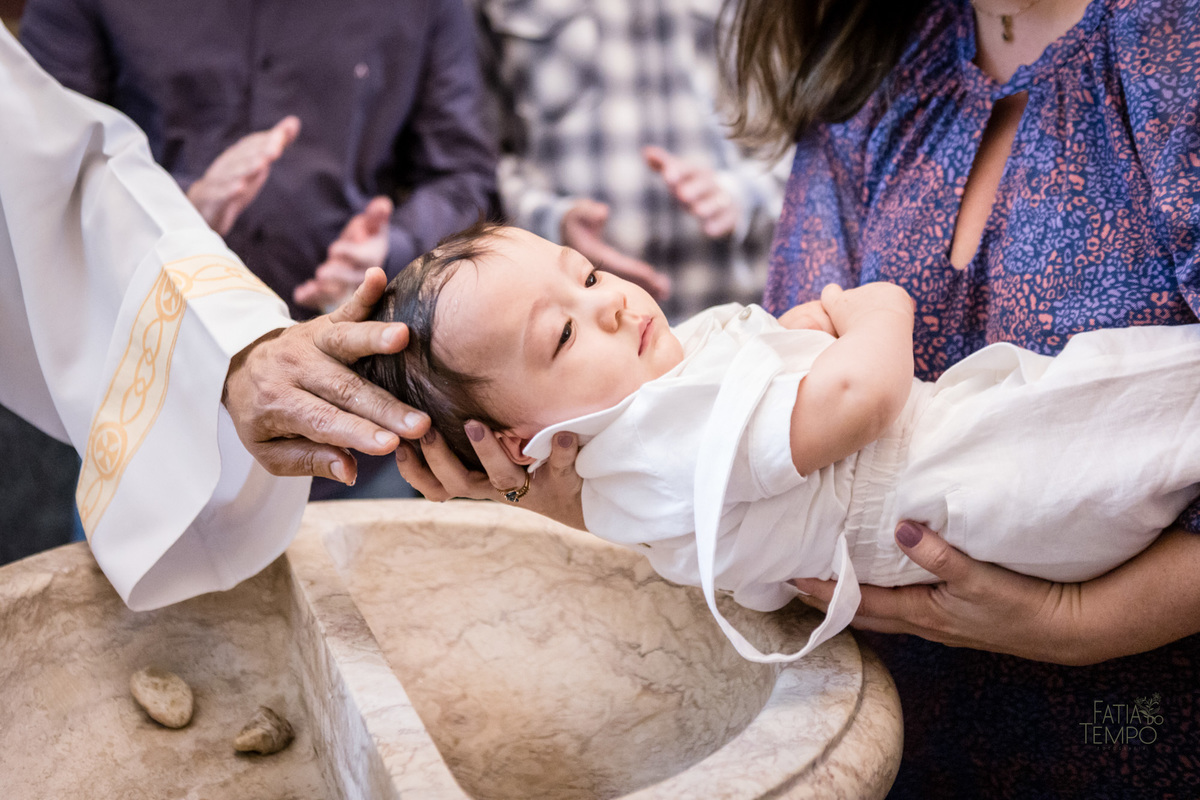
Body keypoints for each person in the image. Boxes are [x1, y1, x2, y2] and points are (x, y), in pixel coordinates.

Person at [724, 0, 1200, 795]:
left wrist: (1081, 627)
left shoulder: (1170, 39)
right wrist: (579, 477)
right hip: (890, 735)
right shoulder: (871, 65)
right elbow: (783, 434)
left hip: (1137, 716)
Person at [352, 222, 1200, 665]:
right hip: (991, 471)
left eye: (585, 275)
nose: (607, 304)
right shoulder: (654, 439)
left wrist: (783, 345)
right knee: (1153, 398)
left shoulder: (627, 476)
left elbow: (761, 530)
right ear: (521, 438)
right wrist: (879, 310)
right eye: (562, 338)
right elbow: (862, 398)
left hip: (989, 491)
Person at [0, 27, 432, 609]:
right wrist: (192, 205)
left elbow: (67, 169)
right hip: (157, 414)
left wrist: (238, 348)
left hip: (346, 400)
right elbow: (53, 188)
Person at [19, 0, 500, 499]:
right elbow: (36, 166)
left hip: (366, 417)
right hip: (147, 397)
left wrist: (392, 245)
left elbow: (464, 178)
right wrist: (176, 207)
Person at [472, 0, 787, 321]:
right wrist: (552, 222)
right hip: (585, 329)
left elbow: (810, 140)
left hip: (744, 311)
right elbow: (477, 157)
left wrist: (741, 195)